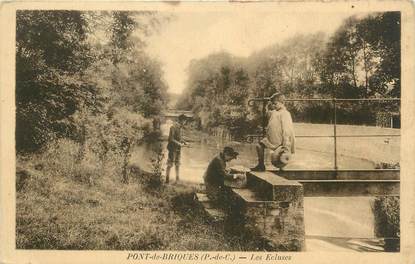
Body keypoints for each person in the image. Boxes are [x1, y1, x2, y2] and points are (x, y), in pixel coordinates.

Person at [251, 92, 295, 171]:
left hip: (279, 140)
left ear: (282, 103)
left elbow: (287, 129)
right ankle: (261, 165)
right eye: (273, 104)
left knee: (281, 154)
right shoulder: (275, 112)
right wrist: (266, 107)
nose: (274, 106)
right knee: (259, 146)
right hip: (271, 139)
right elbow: (267, 115)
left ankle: (281, 167)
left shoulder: (285, 114)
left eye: (275, 104)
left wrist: (285, 142)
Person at [166, 114, 188, 183]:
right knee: (170, 164)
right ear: (181, 120)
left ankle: (177, 179)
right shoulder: (173, 127)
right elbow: (171, 138)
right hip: (172, 148)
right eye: (184, 121)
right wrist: (179, 144)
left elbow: (179, 138)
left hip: (178, 148)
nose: (185, 123)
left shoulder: (180, 127)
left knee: (177, 164)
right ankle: (167, 179)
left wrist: (184, 142)